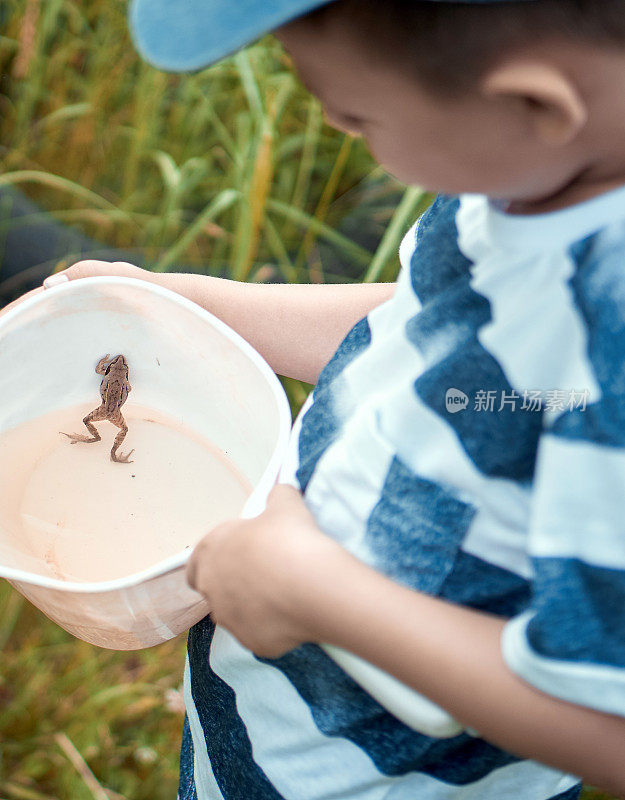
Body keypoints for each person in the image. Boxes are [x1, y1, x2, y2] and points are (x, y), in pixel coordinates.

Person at [14, 0, 625, 797]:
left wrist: (312, 593)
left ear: (535, 102)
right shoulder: (526, 182)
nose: (339, 131)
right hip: (269, 735)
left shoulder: (602, 330)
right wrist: (185, 302)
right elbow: (427, 333)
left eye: (358, 115)